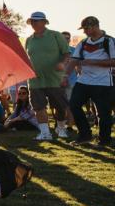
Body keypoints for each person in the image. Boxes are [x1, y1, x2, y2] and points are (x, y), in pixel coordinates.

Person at [66, 16, 113, 147]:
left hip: (102, 82)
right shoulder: (83, 42)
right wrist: (65, 76)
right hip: (83, 81)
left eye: (86, 28)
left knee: (103, 113)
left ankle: (104, 140)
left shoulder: (109, 41)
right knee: (74, 105)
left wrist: (94, 62)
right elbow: (74, 60)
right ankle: (85, 135)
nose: (84, 31)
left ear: (95, 26)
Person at [24, 11, 71, 140]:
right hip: (35, 79)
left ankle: (61, 128)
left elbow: (67, 53)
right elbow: (27, 58)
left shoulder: (56, 36)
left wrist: (62, 63)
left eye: (37, 20)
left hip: (55, 79)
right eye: (32, 21)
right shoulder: (28, 40)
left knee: (60, 107)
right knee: (38, 107)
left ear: (44, 22)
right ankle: (45, 133)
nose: (34, 23)